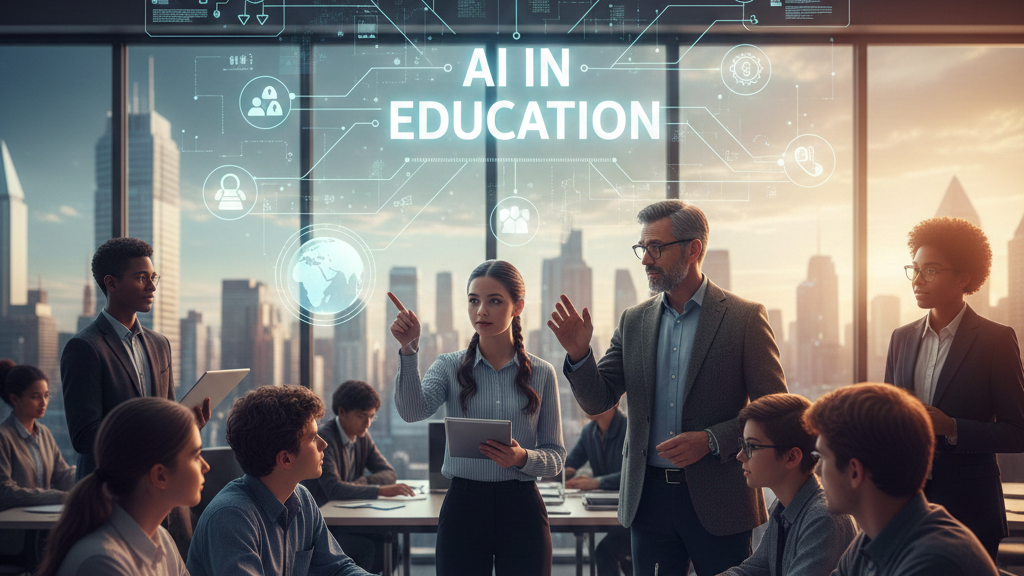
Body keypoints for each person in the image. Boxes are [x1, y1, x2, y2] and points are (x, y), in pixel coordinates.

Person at [548, 200, 787, 575]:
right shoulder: (634, 321)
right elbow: (600, 398)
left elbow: (775, 409)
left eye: (656, 248)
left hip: (720, 498)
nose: (646, 260)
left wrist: (709, 440)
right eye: (643, 248)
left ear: (694, 249)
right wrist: (580, 355)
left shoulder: (744, 318)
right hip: (648, 499)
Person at [391, 259, 565, 576]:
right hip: (464, 506)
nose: (481, 311)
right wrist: (408, 349)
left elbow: (556, 455)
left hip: (521, 505)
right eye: (474, 300)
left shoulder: (542, 372)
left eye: (494, 301)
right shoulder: (448, 366)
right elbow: (412, 410)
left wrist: (522, 457)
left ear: (518, 307)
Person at [884, 216, 1024, 559]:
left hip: (971, 510)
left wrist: (952, 428)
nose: (917, 280)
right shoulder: (901, 338)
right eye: (914, 269)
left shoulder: (996, 340)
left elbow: (1018, 432)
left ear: (964, 277)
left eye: (930, 270)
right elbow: (885, 418)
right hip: (908, 507)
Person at [806, 383, 998, 575]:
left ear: (854, 472)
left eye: (823, 457)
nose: (818, 470)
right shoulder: (872, 537)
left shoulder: (935, 563)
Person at [61, 237, 210, 480]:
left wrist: (184, 424)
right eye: (142, 278)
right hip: (110, 491)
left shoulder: (160, 344)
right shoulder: (84, 347)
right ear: (112, 283)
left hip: (161, 486)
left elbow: (168, 411)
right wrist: (153, 431)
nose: (152, 286)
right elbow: (85, 437)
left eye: (153, 278)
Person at [187, 385, 370, 576]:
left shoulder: (302, 498)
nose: (323, 444)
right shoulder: (231, 518)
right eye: (313, 437)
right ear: (285, 459)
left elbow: (337, 568)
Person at [34, 397, 208, 576]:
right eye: (196, 456)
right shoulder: (102, 563)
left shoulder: (161, 539)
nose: (206, 466)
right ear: (160, 475)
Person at [719, 393, 857, 576]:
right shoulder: (783, 506)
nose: (740, 456)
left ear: (791, 457)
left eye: (751, 446)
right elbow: (754, 569)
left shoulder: (823, 519)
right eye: (742, 445)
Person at [302, 379, 415, 573]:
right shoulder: (325, 439)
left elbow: (389, 473)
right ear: (342, 412)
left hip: (348, 518)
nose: (367, 423)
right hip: (325, 524)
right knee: (367, 547)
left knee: (391, 542)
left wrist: (363, 482)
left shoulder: (362, 436)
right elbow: (335, 489)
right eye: (362, 416)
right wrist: (379, 490)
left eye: (372, 417)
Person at [564, 403, 632, 576]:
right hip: (610, 513)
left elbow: (634, 475)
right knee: (614, 556)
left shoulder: (630, 429)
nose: (585, 402)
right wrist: (562, 473)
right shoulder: (589, 432)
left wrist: (597, 482)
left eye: (592, 396)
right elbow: (570, 464)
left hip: (635, 518)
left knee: (606, 553)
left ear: (615, 401)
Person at [0, 360, 75, 510]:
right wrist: (59, 497)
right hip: (15, 527)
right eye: (35, 397)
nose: (43, 403)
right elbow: (5, 492)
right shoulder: (3, 437)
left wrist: (92, 476)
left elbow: (62, 476)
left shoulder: (44, 433)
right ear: (15, 398)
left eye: (46, 395)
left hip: (43, 526)